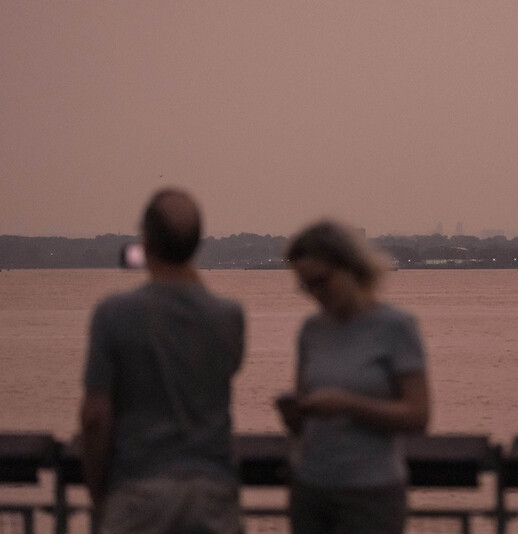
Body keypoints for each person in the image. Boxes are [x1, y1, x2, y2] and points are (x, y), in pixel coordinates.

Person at [80, 188, 245, 534]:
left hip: (138, 491)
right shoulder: (229, 317)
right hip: (211, 495)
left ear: (146, 240)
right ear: (197, 243)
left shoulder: (113, 315)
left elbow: (95, 417)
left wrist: (101, 496)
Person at [276, 220, 430, 534]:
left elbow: (418, 414)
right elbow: (304, 415)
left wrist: (348, 405)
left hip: (372, 492)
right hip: (310, 488)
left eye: (321, 281)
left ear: (349, 267)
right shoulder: (311, 331)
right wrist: (295, 415)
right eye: (307, 286)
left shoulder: (396, 327)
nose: (315, 294)